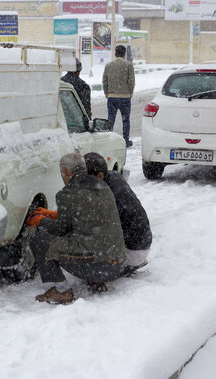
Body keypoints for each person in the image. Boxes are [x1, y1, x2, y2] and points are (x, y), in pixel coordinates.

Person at [27, 153, 126, 304]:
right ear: (84, 168)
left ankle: (62, 291)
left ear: (65, 172)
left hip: (97, 267)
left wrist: (41, 220)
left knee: (40, 239)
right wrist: (50, 215)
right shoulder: (103, 185)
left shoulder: (67, 193)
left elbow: (61, 229)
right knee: (87, 239)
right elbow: (85, 217)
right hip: (117, 265)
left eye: (62, 172)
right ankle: (96, 280)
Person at [84, 153, 152, 274]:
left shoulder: (107, 195)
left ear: (99, 175)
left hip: (132, 251)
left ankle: (116, 269)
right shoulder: (113, 176)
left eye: (84, 178)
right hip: (142, 243)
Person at [102, 45, 135, 148]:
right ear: (124, 53)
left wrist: (107, 93)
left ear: (115, 53)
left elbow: (104, 81)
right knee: (125, 120)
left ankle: (109, 139)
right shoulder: (128, 65)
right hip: (125, 97)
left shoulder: (109, 65)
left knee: (110, 120)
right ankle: (125, 140)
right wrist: (130, 93)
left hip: (112, 97)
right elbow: (131, 82)